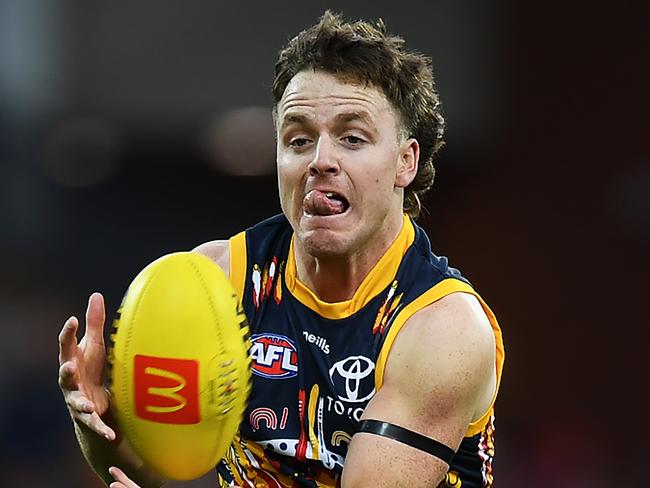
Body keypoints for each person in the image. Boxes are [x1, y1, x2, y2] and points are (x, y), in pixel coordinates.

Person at [58, 11, 504, 488]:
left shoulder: (443, 330)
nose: (320, 161)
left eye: (352, 138)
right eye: (298, 140)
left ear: (405, 162)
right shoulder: (214, 284)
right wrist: (98, 423)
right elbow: (146, 471)